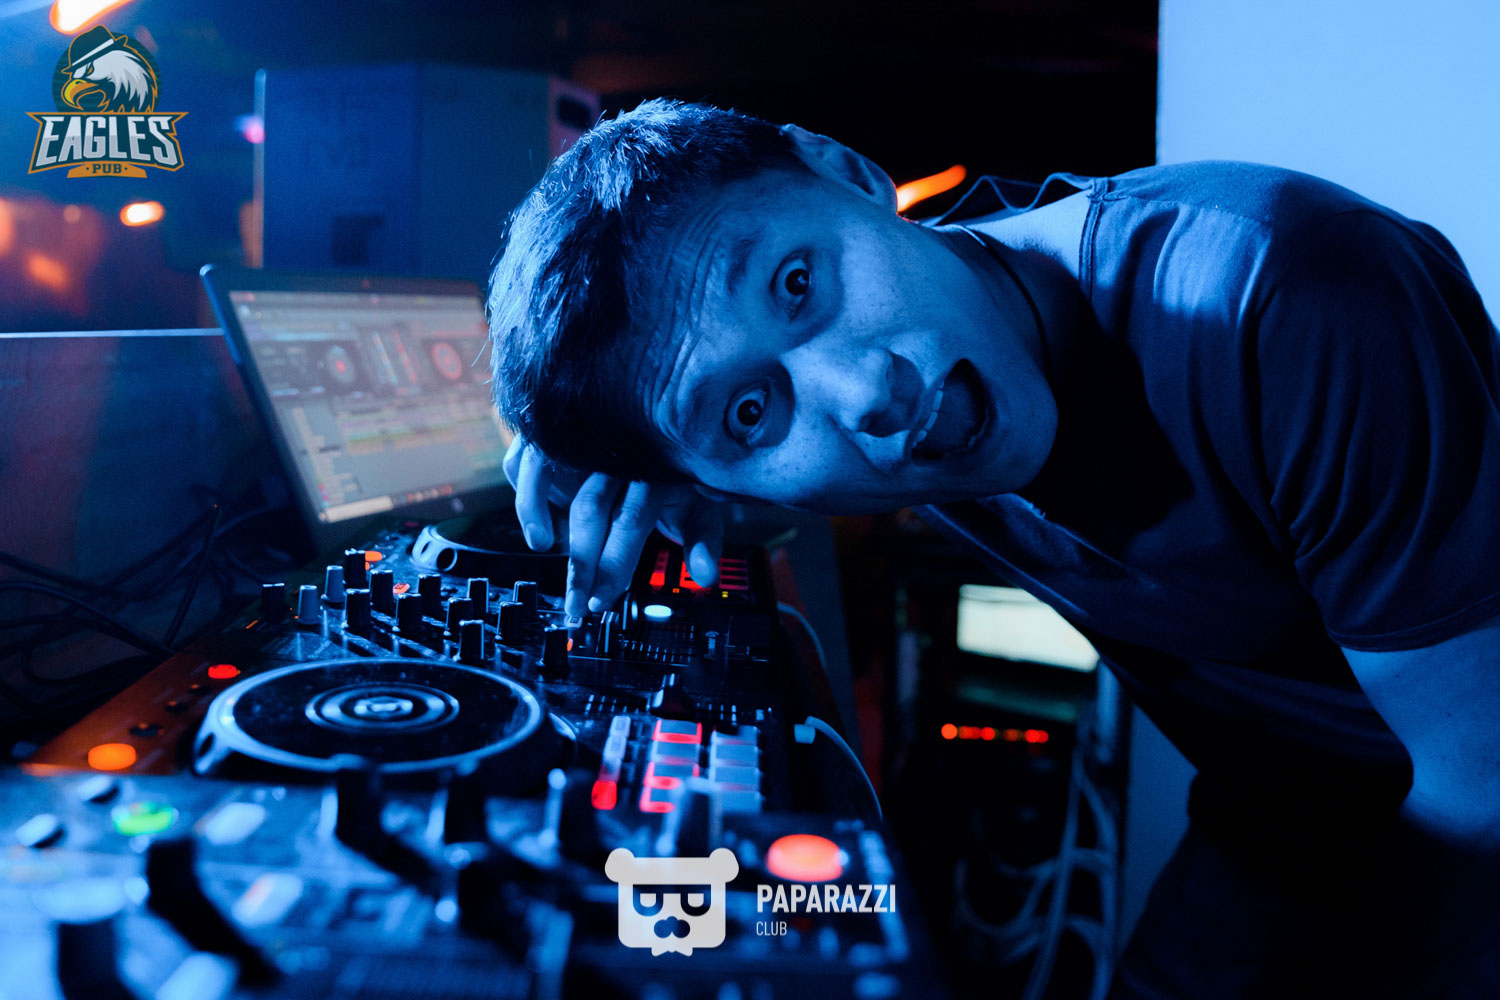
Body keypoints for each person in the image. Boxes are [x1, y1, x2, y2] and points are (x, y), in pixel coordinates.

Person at [485, 99, 1500, 998]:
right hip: (1291, 804)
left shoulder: (1280, 293)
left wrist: (713, 427)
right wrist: (642, 449)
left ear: (850, 172)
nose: (866, 394)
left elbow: (1482, 801)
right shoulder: (929, 352)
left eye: (798, 282)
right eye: (752, 410)